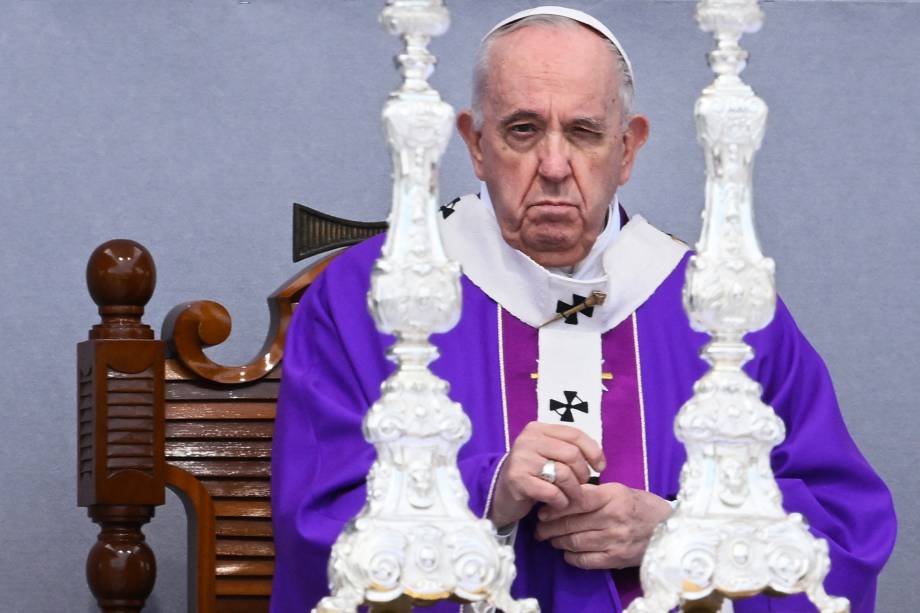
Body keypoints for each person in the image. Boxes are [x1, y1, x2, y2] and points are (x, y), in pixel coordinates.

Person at [270, 6, 896, 612]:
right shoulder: (370, 295)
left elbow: (843, 528)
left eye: (584, 132)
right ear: (475, 144)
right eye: (522, 130)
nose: (553, 165)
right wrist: (484, 492)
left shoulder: (722, 305)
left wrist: (678, 534)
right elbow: (318, 516)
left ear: (627, 150)